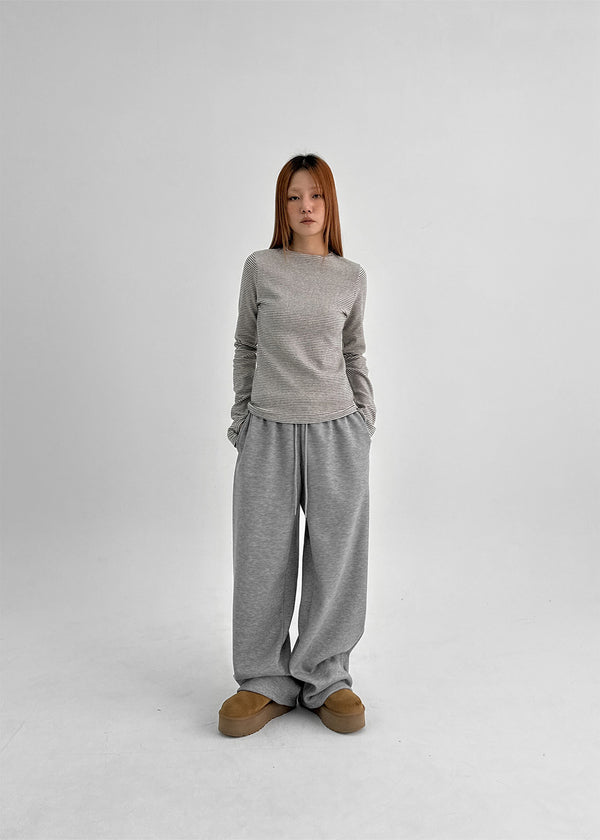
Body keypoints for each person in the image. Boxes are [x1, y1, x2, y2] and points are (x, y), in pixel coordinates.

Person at [218, 153, 376, 737]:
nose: (305, 206)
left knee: (337, 558)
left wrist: (364, 418)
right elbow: (246, 344)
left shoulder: (350, 276)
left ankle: (325, 676)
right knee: (262, 557)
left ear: (329, 204)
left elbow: (354, 352)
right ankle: (264, 680)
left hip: (337, 430)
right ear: (281, 207)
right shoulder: (261, 267)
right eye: (293, 196)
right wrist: (242, 416)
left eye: (316, 195)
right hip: (267, 429)